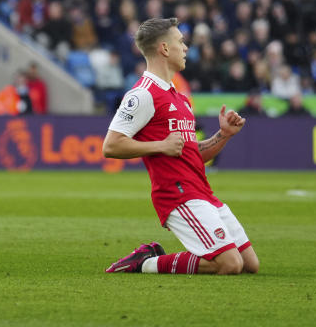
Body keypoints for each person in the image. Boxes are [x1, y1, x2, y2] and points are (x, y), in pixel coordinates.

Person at [103, 18, 259, 275]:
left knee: (250, 265)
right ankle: (144, 263)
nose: (186, 48)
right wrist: (160, 145)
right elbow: (111, 146)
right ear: (164, 49)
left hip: (202, 191)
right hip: (177, 194)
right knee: (230, 264)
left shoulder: (180, 97)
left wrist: (224, 134)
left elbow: (191, 153)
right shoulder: (142, 94)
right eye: (181, 42)